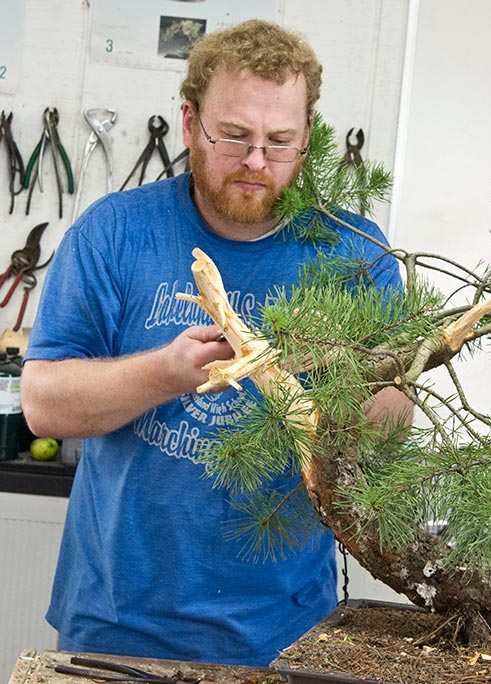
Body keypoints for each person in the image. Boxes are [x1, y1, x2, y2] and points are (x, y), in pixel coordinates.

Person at [21, 20, 410, 666]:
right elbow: (43, 403)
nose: (256, 161)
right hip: (117, 629)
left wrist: (340, 377)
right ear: (188, 121)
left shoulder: (355, 253)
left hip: (283, 636)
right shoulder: (112, 234)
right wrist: (169, 372)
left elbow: (396, 423)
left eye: (279, 141)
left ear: (308, 136)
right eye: (234, 136)